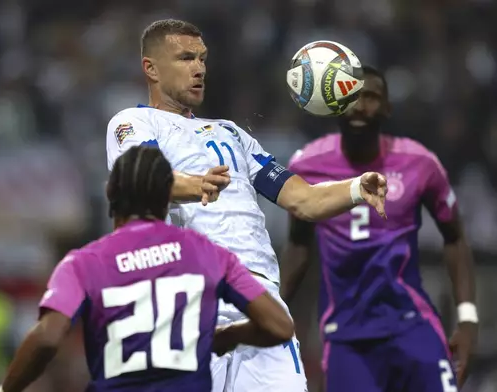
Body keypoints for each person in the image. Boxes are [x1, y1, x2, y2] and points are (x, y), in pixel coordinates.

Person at [105, 19, 388, 392]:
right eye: (186, 58)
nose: (199, 68)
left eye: (202, 58)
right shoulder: (134, 122)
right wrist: (194, 185)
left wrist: (355, 188)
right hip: (185, 302)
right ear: (151, 68)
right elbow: (139, 184)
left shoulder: (232, 133)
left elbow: (304, 199)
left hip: (259, 304)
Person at [0, 145, 296, 392]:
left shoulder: (83, 263)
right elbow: (279, 326)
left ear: (111, 192)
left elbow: (48, 338)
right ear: (168, 197)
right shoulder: (207, 253)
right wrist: (228, 335)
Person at [282, 65, 477, 392]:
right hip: (346, 335)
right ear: (336, 103)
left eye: (370, 96)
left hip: (412, 325)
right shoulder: (306, 166)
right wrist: (269, 309)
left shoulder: (419, 162)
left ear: (387, 108)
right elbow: (298, 247)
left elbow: (455, 239)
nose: (360, 105)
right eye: (351, 96)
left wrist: (468, 319)